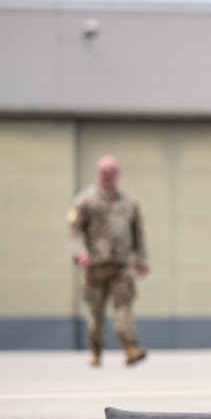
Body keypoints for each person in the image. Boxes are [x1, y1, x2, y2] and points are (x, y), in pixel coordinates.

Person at [69, 155, 149, 367]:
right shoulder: (85, 201)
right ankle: (96, 351)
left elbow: (138, 234)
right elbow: (75, 231)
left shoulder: (129, 202)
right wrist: (80, 253)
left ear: (118, 174)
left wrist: (141, 260)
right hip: (94, 266)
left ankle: (130, 348)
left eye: (111, 172)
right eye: (104, 172)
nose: (108, 176)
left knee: (124, 308)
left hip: (121, 265)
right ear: (98, 174)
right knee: (95, 311)